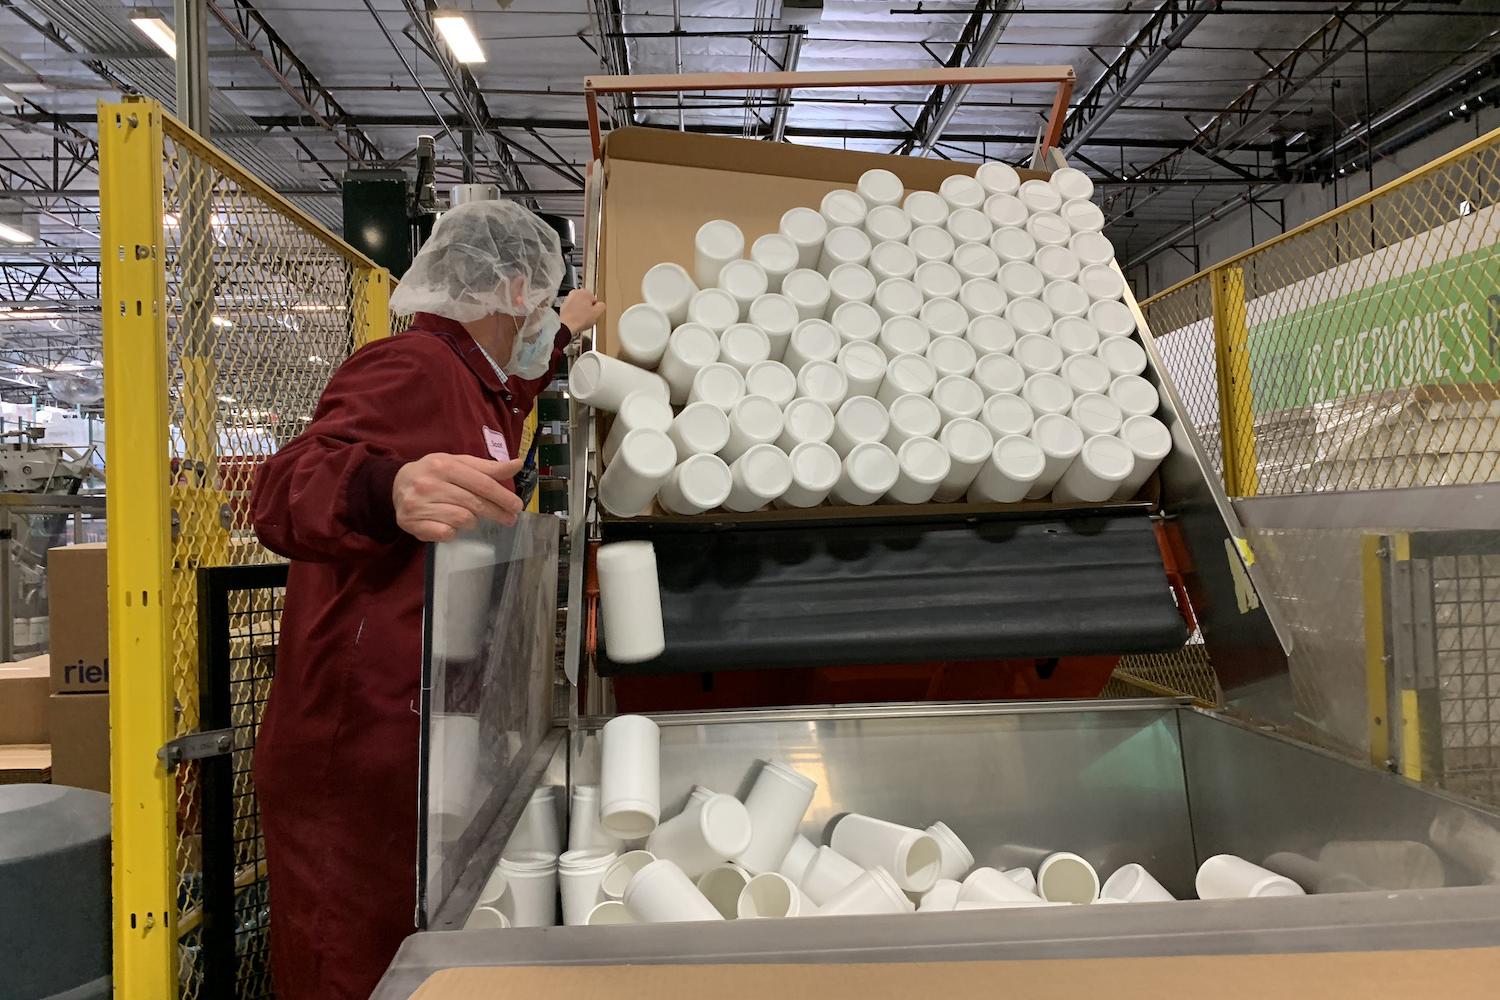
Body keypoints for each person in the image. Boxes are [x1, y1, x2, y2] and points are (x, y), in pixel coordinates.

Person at [250, 200, 604, 999]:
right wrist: (387, 488)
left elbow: (508, 400)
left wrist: (564, 340)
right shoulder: (409, 364)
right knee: (346, 966)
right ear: (515, 289)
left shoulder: (481, 391)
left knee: (407, 965)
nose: (544, 318)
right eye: (542, 304)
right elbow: (282, 490)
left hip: (417, 741)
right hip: (357, 745)